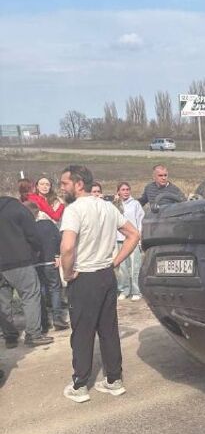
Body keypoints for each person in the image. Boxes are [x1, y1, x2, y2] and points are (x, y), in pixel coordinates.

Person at [59, 164, 140, 403]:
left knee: (82, 333)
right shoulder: (107, 207)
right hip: (106, 276)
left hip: (83, 277)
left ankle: (80, 384)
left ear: (78, 184)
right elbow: (134, 234)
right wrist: (114, 262)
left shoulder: (74, 210)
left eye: (65, 183)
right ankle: (114, 380)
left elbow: (67, 246)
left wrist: (67, 271)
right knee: (108, 330)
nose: (62, 188)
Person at [0, 195, 53, 347]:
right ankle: (33, 334)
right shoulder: (19, 209)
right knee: (30, 295)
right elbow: (33, 235)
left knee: (3, 301)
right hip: (20, 260)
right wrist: (35, 251)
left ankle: (10, 337)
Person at [24, 201, 69, 331]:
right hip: (50, 261)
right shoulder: (48, 224)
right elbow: (59, 239)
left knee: (40, 291)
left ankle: (44, 321)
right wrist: (57, 254)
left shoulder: (26, 228)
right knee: (55, 289)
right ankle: (58, 318)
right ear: (38, 212)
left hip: (35, 263)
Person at [114, 181, 145, 301]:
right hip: (120, 239)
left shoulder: (135, 204)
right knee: (122, 268)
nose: (126, 192)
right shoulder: (115, 204)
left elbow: (140, 220)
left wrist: (139, 237)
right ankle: (124, 290)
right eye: (123, 190)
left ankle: (136, 290)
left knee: (134, 266)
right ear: (118, 192)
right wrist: (115, 202)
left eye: (127, 189)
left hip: (133, 239)